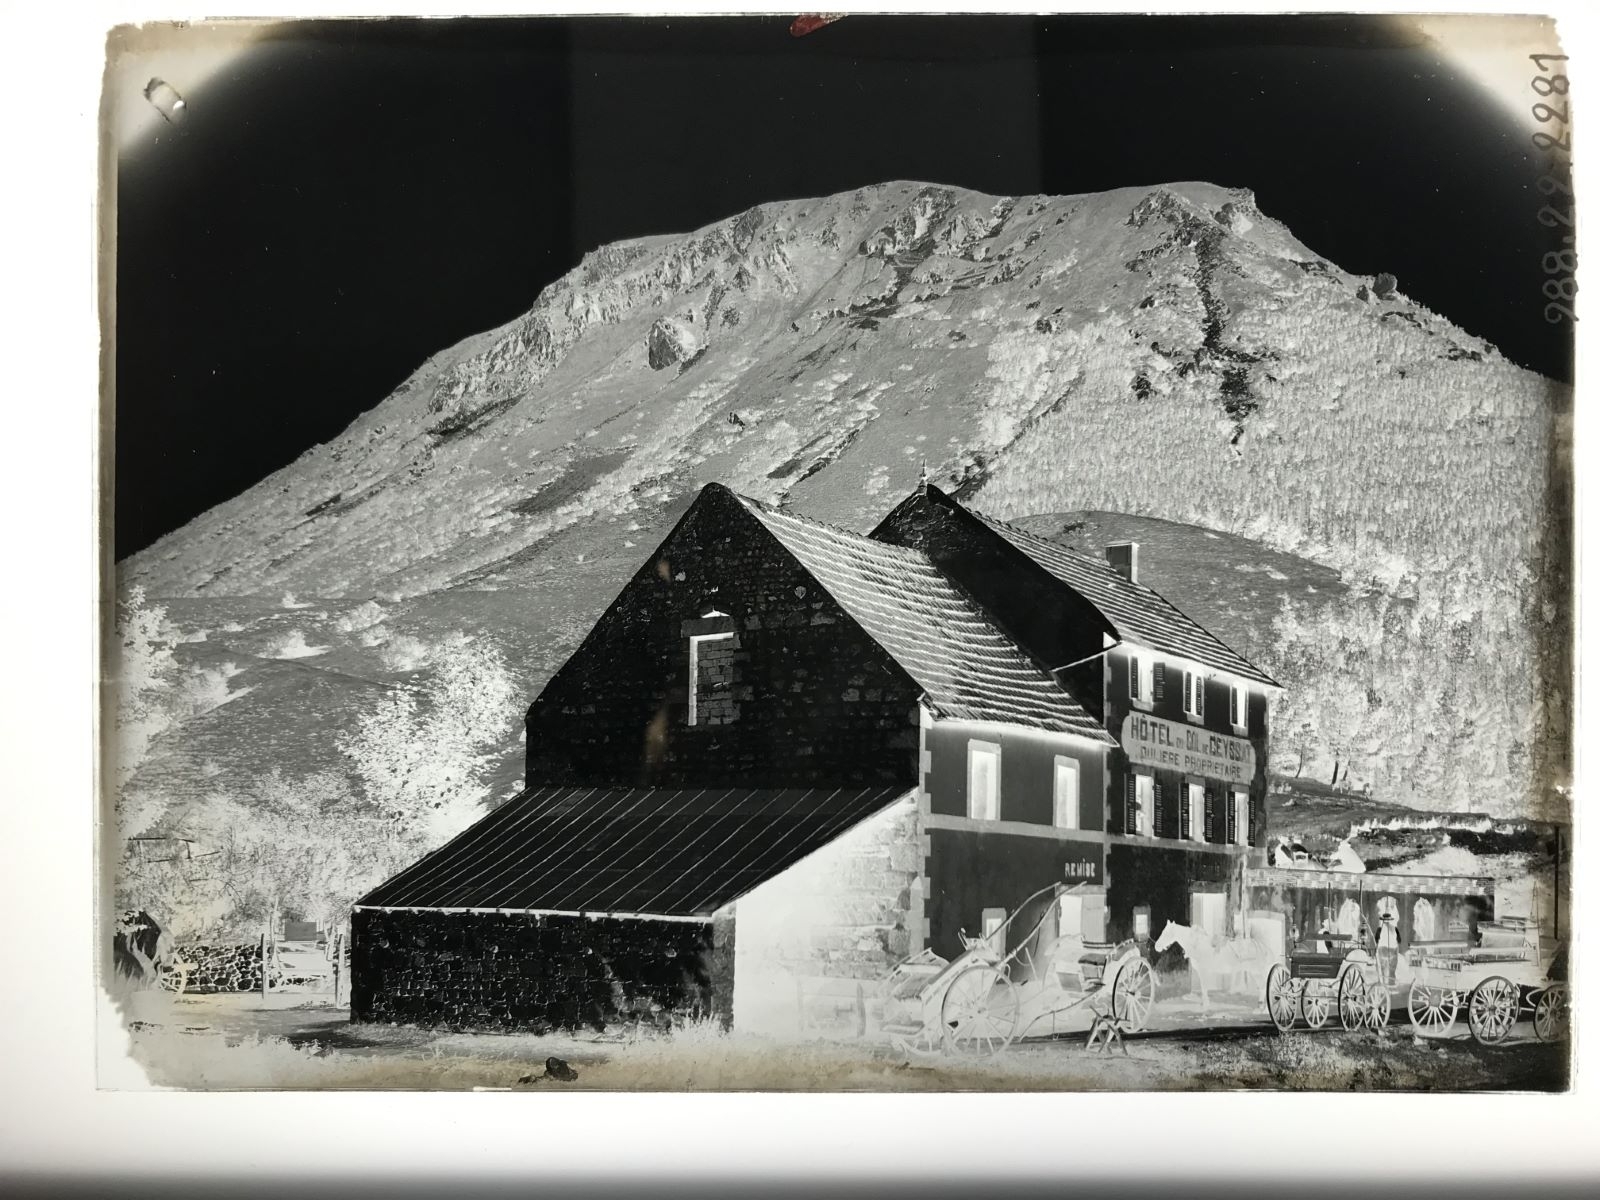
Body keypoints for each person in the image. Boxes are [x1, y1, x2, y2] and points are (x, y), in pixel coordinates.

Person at [1375, 910, 1401, 986]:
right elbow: (1399, 940)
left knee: (1382, 967)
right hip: (1392, 950)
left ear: (1383, 920)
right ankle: (1391, 982)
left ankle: (1382, 982)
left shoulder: (1379, 929)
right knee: (1392, 968)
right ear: (1390, 920)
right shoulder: (1395, 928)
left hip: (1382, 950)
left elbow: (1376, 939)